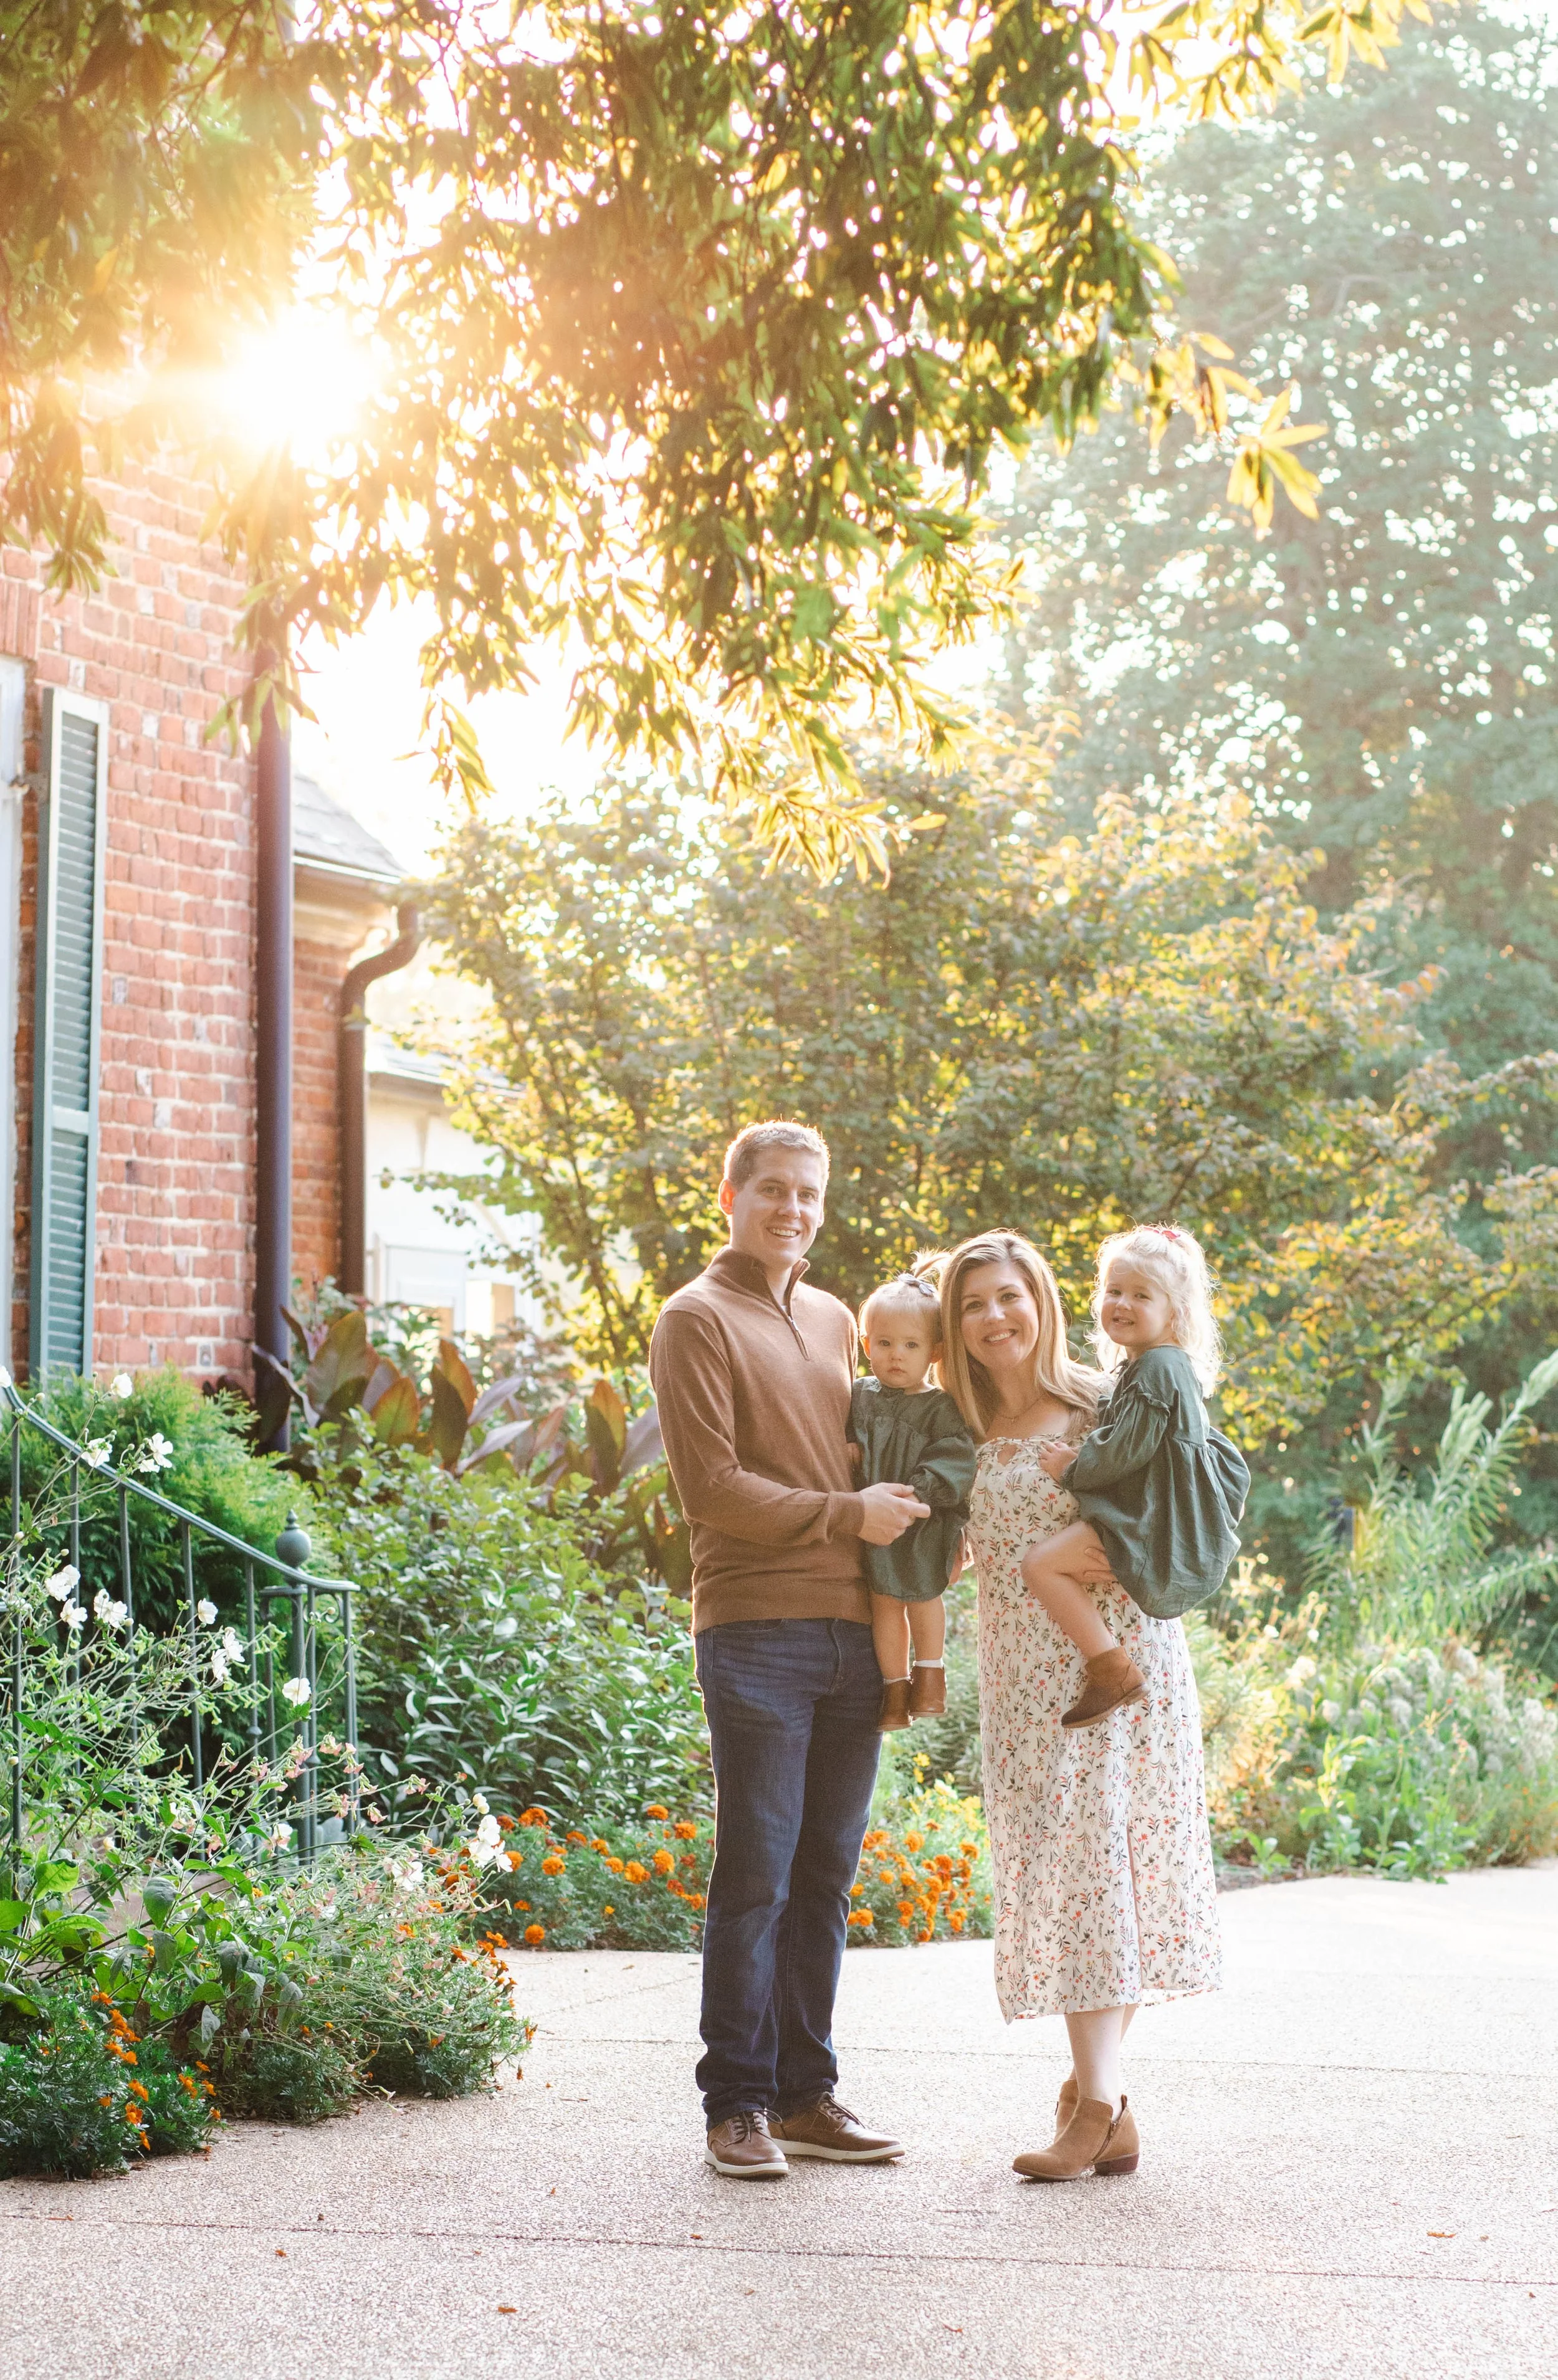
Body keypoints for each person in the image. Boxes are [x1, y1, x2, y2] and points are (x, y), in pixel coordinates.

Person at [648, 1120, 928, 2179]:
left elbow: (879, 1447)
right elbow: (712, 1491)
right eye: (772, 1190)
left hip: (857, 1631)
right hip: (756, 1629)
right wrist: (847, 1516)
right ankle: (737, 2104)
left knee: (825, 1876)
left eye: (809, 1193)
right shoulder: (695, 1319)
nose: (793, 1209)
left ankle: (809, 2095)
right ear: (730, 1197)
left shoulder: (836, 1315)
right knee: (756, 1875)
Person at [937, 1228, 1221, 2185]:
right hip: (1023, 1686)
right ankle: (1098, 2102)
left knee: (1112, 1868)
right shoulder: (956, 1427)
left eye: (1010, 1297)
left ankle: (1095, 2105)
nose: (994, 1318)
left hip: (1121, 1671)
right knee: (1070, 1881)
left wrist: (1139, 1555)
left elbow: (1194, 1496)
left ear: (1043, 1303)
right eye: (973, 1304)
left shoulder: (1107, 1400)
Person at [1023, 1226, 1251, 1730]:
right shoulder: (1155, 1365)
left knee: (1040, 1566)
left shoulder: (1158, 1368)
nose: (1122, 1304)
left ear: (1176, 1312)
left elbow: (1128, 1448)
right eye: (1113, 1291)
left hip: (1149, 1513)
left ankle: (1112, 1669)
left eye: (1141, 1295)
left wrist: (1073, 1469)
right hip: (1150, 1504)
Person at [848, 1270, 977, 1731]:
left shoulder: (940, 1407)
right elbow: (842, 1442)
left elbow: (956, 1459)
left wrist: (918, 1492)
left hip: (921, 1521)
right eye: (884, 1344)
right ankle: (894, 1689)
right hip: (874, 1521)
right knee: (883, 1602)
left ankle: (930, 1676)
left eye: (910, 1346)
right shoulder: (859, 1397)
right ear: (867, 1346)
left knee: (923, 1596)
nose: (896, 1356)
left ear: (935, 1352)